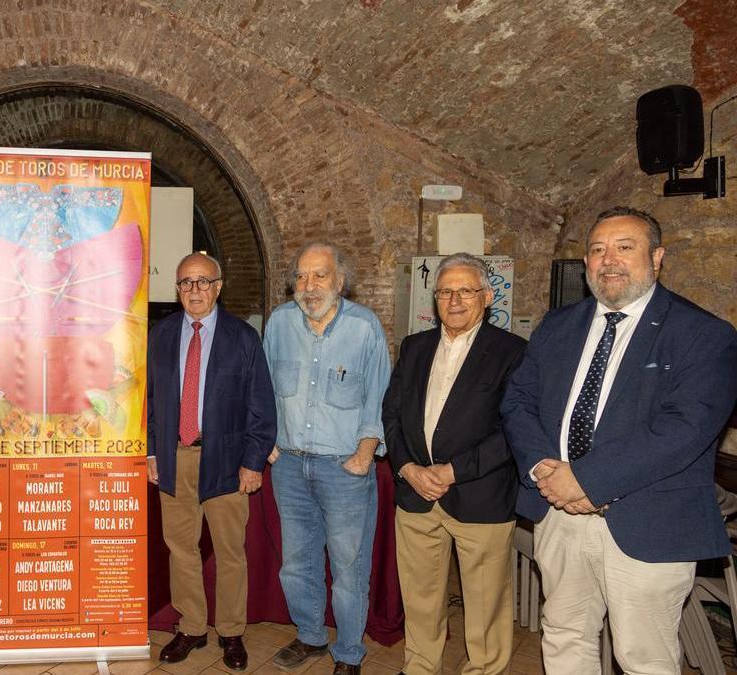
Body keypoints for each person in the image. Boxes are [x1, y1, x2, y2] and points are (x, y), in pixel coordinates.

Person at [501, 206, 737, 674]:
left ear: (657, 257)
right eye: (597, 249)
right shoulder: (558, 326)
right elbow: (518, 401)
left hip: (646, 520)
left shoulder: (703, 335)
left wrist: (586, 479)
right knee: (565, 635)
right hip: (558, 511)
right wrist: (543, 471)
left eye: (624, 248)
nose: (608, 260)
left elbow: (684, 430)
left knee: (643, 658)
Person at [382, 253, 526, 675]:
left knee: (485, 605)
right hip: (416, 495)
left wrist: (452, 471)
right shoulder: (414, 347)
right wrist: (407, 467)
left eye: (465, 290)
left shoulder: (512, 352)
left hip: (480, 497)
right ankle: (421, 666)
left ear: (486, 295)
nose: (455, 300)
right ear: (435, 299)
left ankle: (482, 669)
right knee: (421, 598)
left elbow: (513, 431)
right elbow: (391, 414)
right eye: (445, 291)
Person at [263, 242, 390, 675]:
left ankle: (350, 653)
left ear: (340, 281)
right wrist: (268, 442)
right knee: (296, 562)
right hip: (290, 466)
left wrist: (364, 454)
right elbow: (262, 390)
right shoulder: (279, 323)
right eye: (301, 276)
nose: (309, 285)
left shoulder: (365, 327)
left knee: (349, 567)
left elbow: (380, 396)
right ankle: (311, 636)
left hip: (345, 469)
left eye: (320, 275)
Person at [146, 252, 276, 670]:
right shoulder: (161, 335)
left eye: (203, 282)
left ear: (219, 286)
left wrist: (253, 461)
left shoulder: (243, 337)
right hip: (174, 458)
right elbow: (148, 401)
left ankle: (232, 632)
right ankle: (192, 627)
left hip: (226, 461)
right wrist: (152, 451)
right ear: (177, 290)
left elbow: (261, 405)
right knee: (180, 548)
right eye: (186, 283)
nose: (195, 290)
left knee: (229, 551)